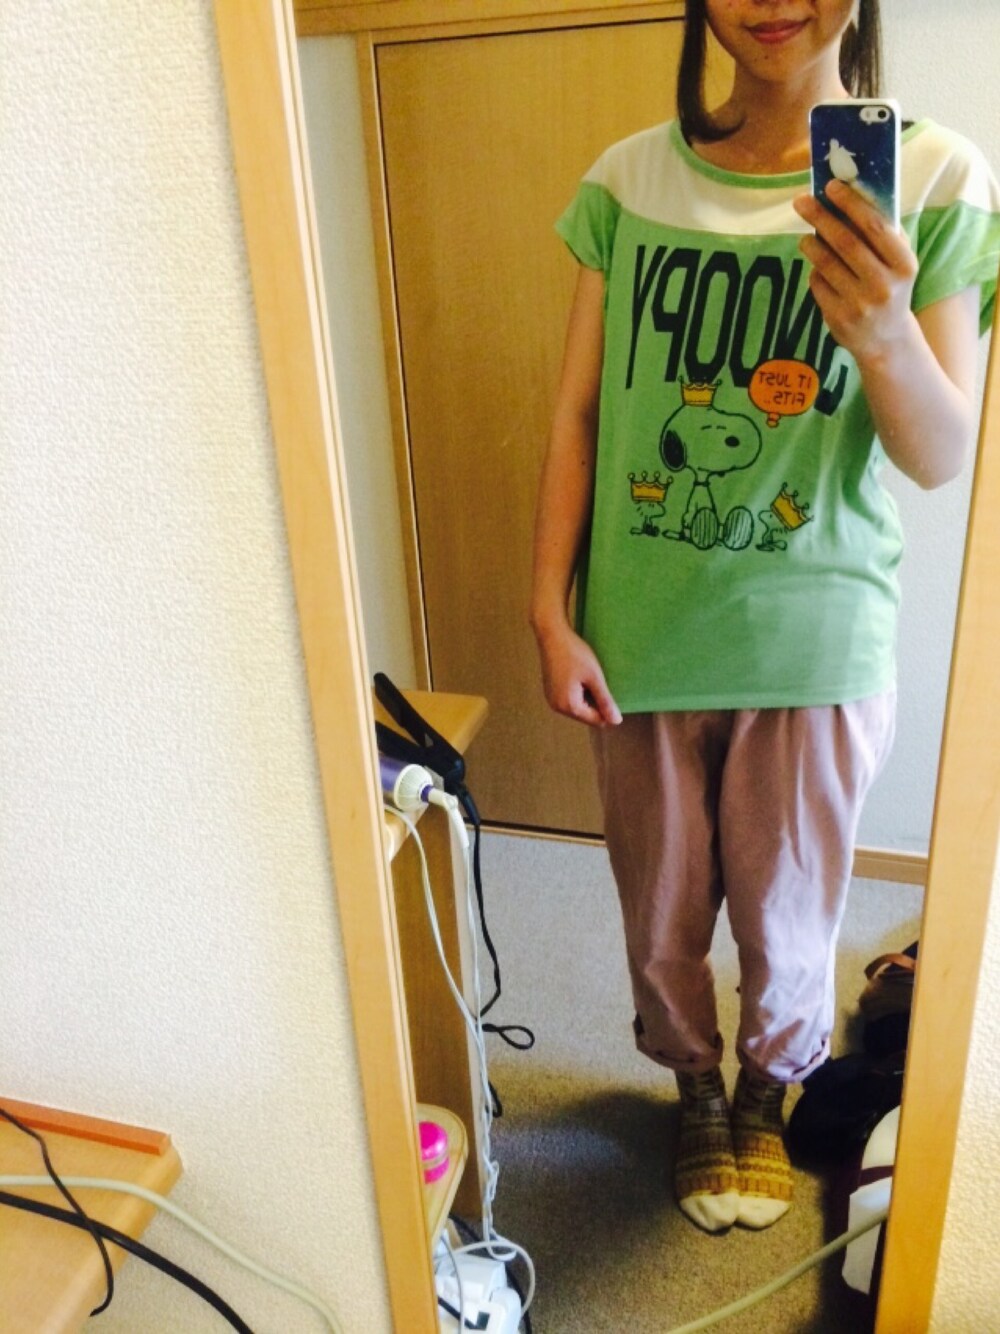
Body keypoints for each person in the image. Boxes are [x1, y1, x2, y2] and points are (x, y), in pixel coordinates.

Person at [530, 0, 1000, 1234]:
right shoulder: (626, 181)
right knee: (660, 909)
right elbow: (578, 413)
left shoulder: (937, 177)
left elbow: (939, 454)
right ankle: (693, 1083)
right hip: (640, 634)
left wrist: (884, 330)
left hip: (814, 632)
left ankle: (762, 1089)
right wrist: (547, 607)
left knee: (790, 917)